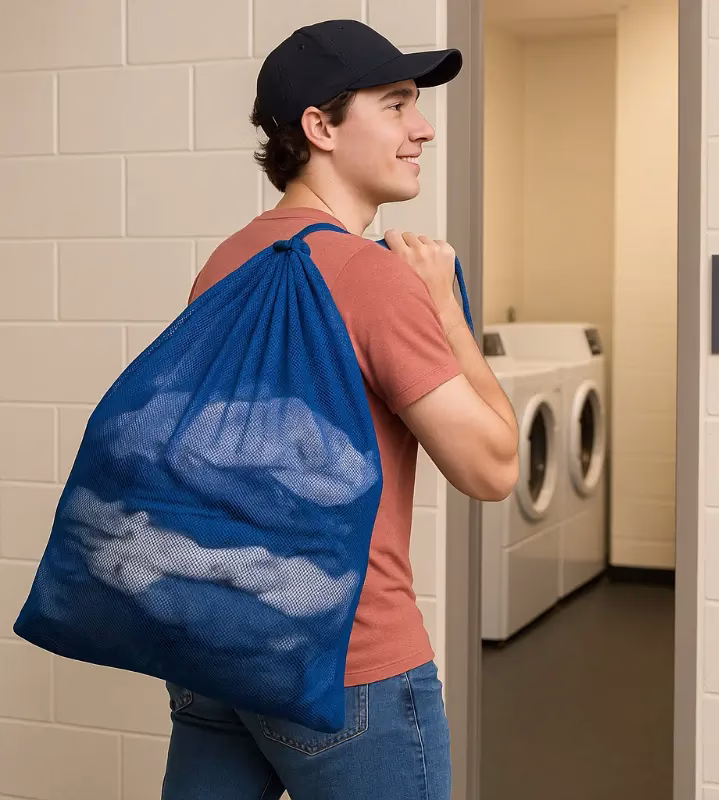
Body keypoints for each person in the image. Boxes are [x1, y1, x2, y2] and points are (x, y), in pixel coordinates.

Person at [161, 18, 519, 800]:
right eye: (395, 105)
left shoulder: (225, 261)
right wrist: (447, 313)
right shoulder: (377, 279)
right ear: (320, 127)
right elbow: (492, 468)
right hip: (346, 663)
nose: (421, 127)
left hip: (218, 643)